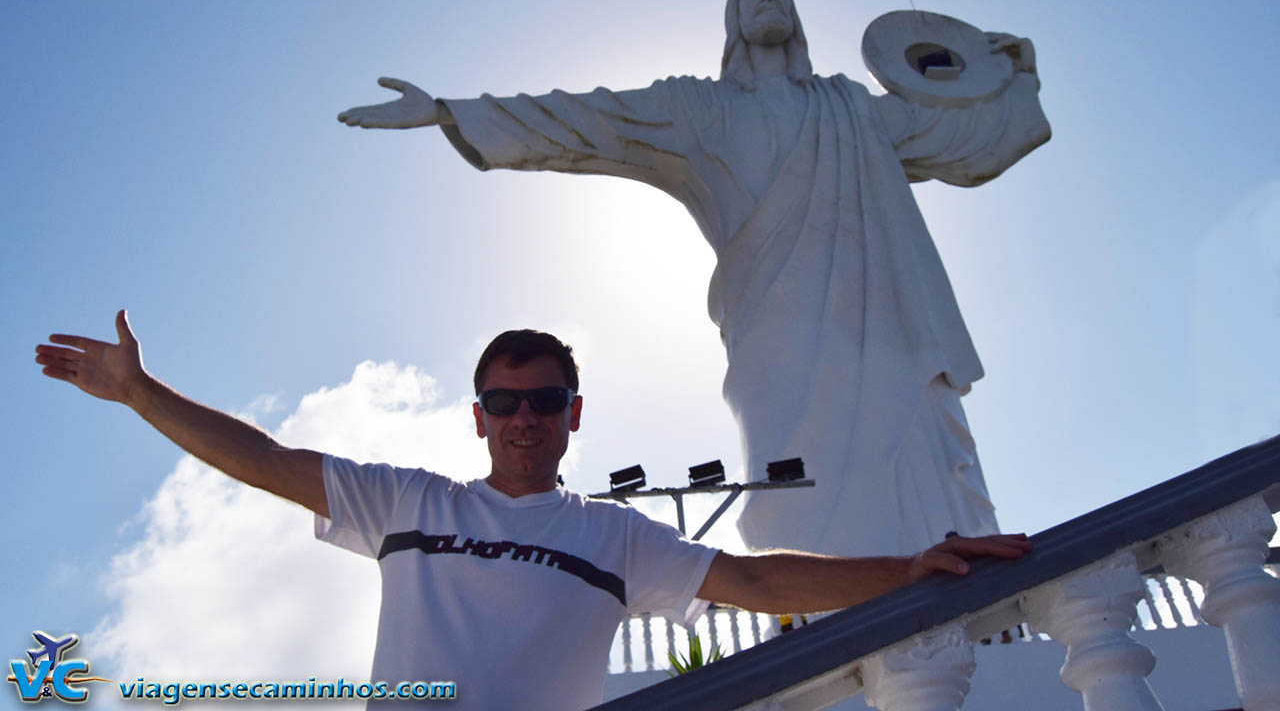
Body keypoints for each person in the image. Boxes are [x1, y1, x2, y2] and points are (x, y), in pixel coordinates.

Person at [337, 0, 1052, 560]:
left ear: (797, 15)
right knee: (798, 482)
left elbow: (964, 134)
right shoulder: (696, 110)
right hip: (775, 333)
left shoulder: (853, 109)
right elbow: (591, 120)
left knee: (913, 451)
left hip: (886, 327)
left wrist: (1007, 70)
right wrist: (450, 112)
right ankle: (816, 610)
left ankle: (965, 598)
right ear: (734, 19)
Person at [35, 311, 1032, 710]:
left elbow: (762, 581)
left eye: (543, 400)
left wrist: (906, 565)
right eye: (504, 401)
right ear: (478, 414)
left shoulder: (613, 536)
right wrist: (140, 391)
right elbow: (261, 456)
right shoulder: (406, 500)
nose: (523, 418)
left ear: (572, 413)